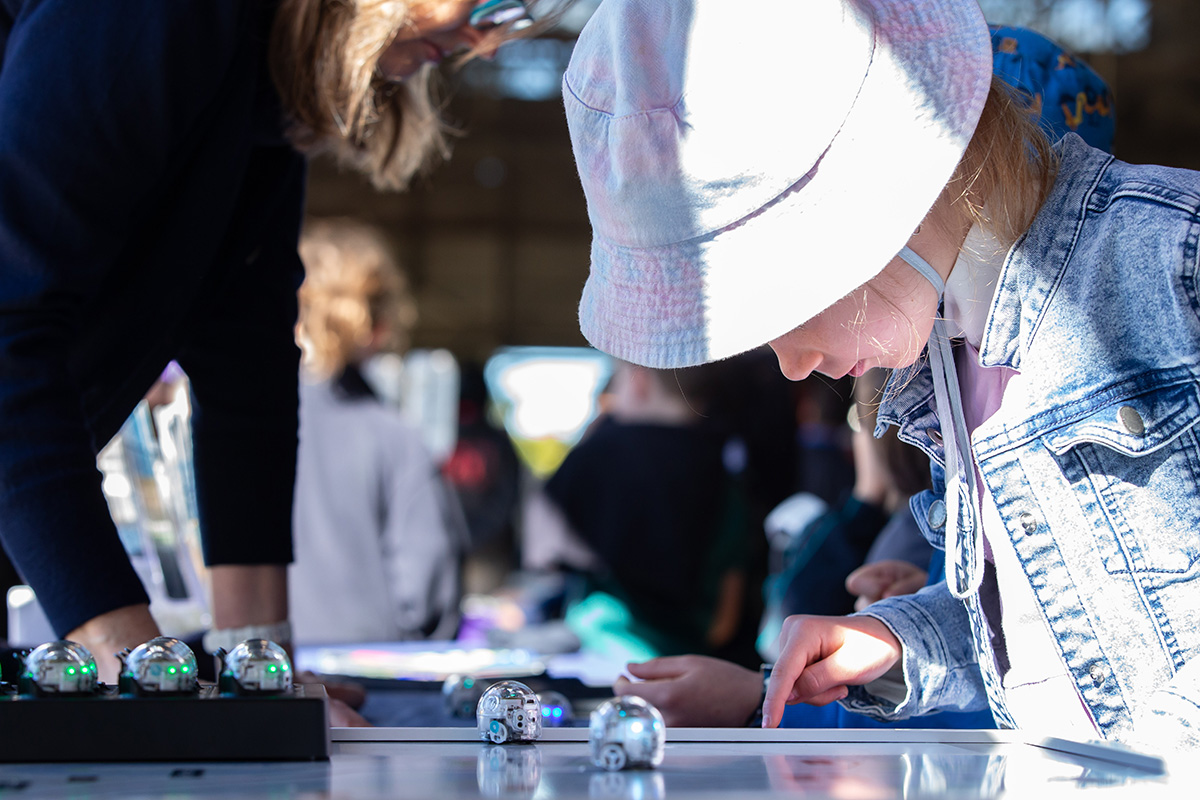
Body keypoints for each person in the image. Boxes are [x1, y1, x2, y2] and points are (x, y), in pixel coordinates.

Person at [563, 0, 1200, 753]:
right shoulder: (950, 359)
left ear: (863, 204)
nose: (794, 364)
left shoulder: (1173, 259)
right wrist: (900, 644)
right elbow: (1066, 633)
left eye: (776, 301)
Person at [0, 0, 544, 685]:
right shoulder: (151, 16)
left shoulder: (259, 81)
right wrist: (144, 673)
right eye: (486, 2)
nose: (485, 42)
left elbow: (246, 364)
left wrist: (258, 675)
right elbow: (7, 332)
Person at [289, 217, 465, 644]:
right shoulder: (394, 437)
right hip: (369, 686)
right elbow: (428, 589)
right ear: (379, 322)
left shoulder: (229, 426)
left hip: (253, 676)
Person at [525, 360, 758, 665]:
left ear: (639, 381)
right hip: (691, 670)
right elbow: (724, 620)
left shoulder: (596, 455)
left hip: (596, 659)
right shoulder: (728, 472)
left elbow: (546, 551)